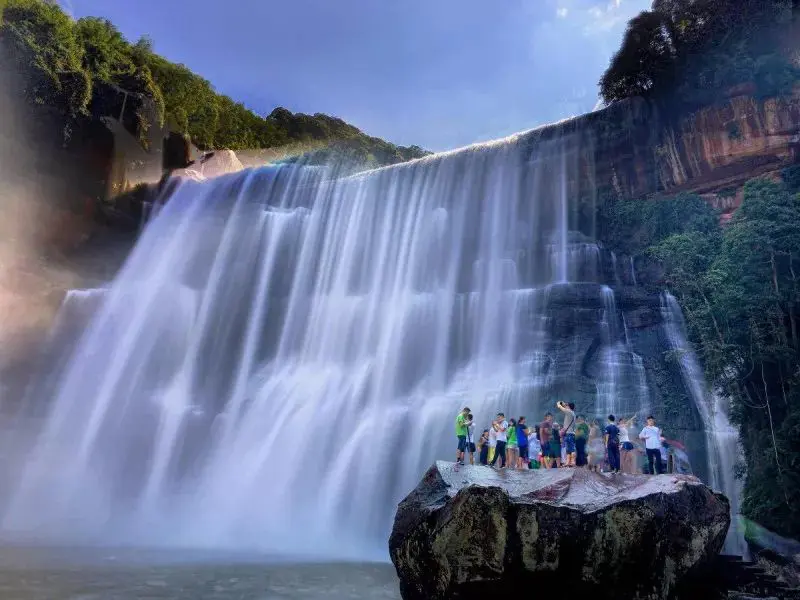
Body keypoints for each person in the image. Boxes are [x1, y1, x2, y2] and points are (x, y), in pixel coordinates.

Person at [556, 401, 577, 467]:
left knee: (572, 448)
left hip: (569, 433)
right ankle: (568, 462)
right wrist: (565, 404)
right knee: (568, 449)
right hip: (570, 433)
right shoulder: (573, 413)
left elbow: (560, 407)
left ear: (569, 407)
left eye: (567, 406)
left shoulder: (569, 412)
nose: (566, 406)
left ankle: (573, 461)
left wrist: (559, 403)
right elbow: (565, 407)